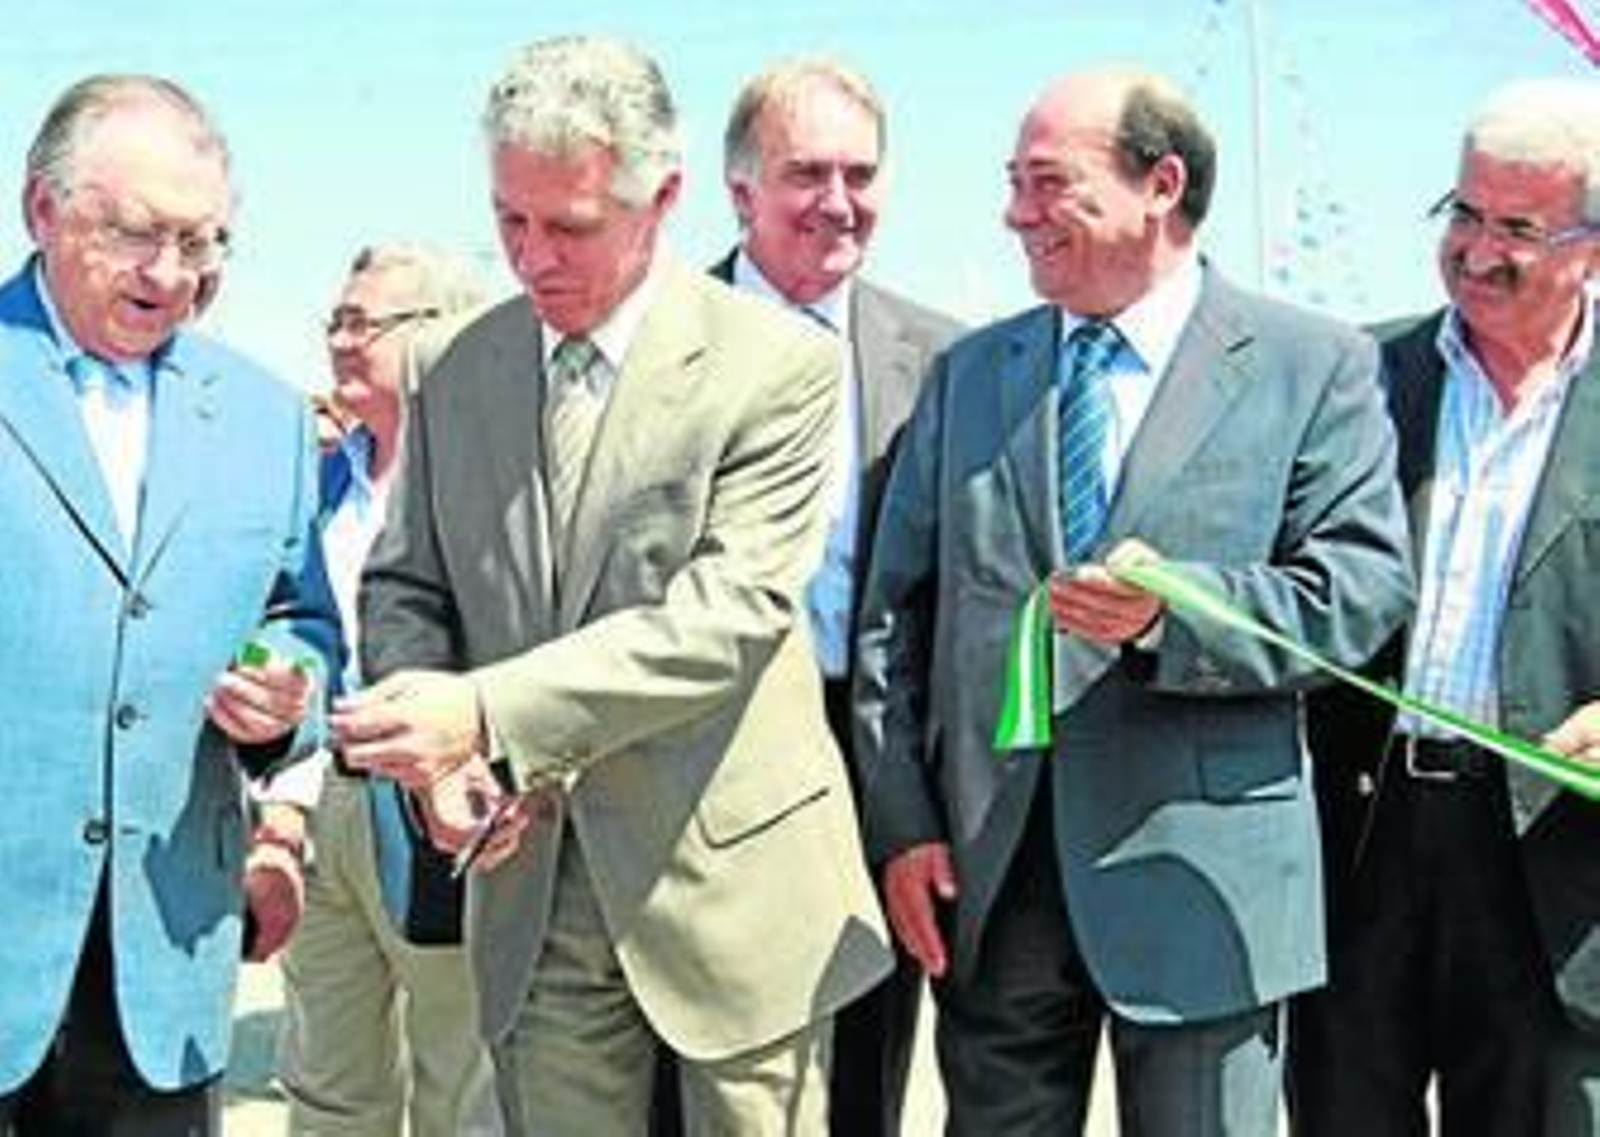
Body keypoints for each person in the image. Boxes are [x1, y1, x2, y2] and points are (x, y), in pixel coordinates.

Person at [330, 35, 893, 1135]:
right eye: (510, 221)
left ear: (665, 197)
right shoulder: (452, 366)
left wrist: (485, 712)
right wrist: (436, 765)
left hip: (730, 893)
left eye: (570, 227)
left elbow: (724, 622)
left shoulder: (776, 367)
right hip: (531, 888)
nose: (533, 256)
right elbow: (407, 589)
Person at [853, 66, 1413, 1136]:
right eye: (1012, 182)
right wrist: (904, 825)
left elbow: (1358, 589)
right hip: (992, 882)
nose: (1015, 213)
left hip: (1202, 884)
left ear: (1160, 184)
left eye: (1046, 183)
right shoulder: (971, 374)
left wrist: (1172, 615)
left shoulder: (1313, 366)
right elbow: (897, 617)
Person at [0, 74, 339, 1135]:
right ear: (42, 210)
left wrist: (291, 695)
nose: (173, 275)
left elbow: (307, 620)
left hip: (165, 963)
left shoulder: (264, 418)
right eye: (139, 234)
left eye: (204, 243)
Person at [1291, 78, 1600, 1137]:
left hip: (1550, 856)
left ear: (1591, 245)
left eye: (1517, 226)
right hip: (1364, 838)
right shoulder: (1357, 377)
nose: (1475, 251)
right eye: (1461, 214)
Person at [706, 55, 963, 1137]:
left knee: (866, 1070)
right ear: (739, 193)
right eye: (805, 172)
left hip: (873, 746)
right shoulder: (659, 337)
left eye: (860, 172)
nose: (837, 201)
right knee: (705, 1069)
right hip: (706, 750)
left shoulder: (947, 358)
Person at [262, 244, 501, 1136]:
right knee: (327, 1080)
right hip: (323, 801)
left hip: (440, 807)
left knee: (462, 1078)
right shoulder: (315, 477)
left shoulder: (494, 484)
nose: (340, 339)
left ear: (443, 335)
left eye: (365, 322)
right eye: (335, 319)